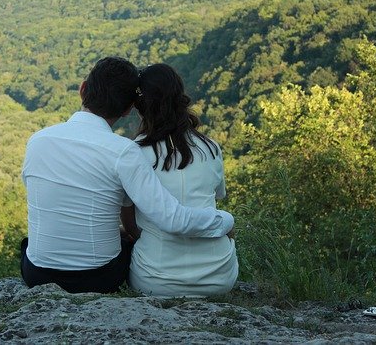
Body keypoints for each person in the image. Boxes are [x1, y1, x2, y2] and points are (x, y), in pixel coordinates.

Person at [20, 56, 234, 294]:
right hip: (98, 278)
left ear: (82, 89)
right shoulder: (123, 151)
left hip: (36, 274)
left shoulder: (36, 141)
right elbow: (171, 218)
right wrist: (225, 220)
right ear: (127, 110)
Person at [124, 63, 238, 297]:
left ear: (139, 106)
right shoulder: (211, 148)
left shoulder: (134, 153)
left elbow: (130, 222)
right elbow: (215, 198)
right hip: (218, 277)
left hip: (154, 279)